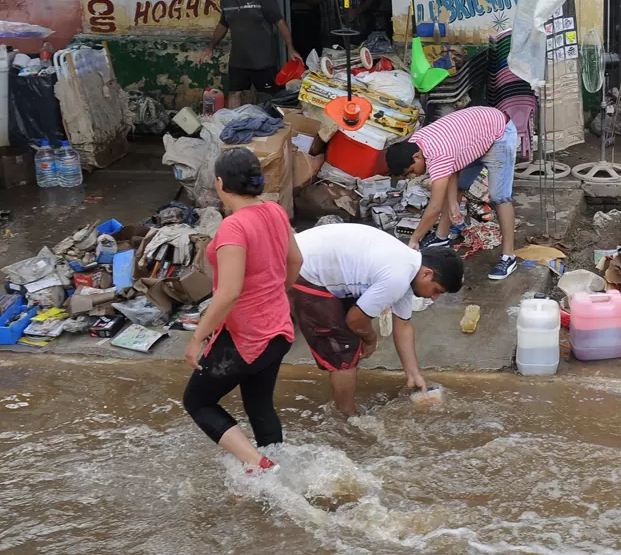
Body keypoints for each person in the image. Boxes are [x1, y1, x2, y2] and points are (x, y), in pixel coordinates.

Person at [182, 148, 300, 473]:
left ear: (220, 184)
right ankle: (276, 470)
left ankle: (257, 464)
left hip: (247, 337)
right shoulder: (275, 211)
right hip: (278, 329)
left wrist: (198, 337)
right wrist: (273, 293)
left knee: (198, 401)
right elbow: (296, 261)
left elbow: (229, 294)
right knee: (259, 404)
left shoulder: (234, 227)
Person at [286, 222, 464, 417]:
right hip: (303, 268)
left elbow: (403, 325)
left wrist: (413, 374)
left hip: (308, 256)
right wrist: (370, 339)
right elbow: (355, 320)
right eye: (437, 291)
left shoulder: (408, 267)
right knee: (344, 350)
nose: (433, 297)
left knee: (349, 341)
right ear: (427, 273)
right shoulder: (397, 278)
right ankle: (347, 416)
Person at [385, 106, 519, 281]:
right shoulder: (416, 141)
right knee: (459, 185)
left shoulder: (436, 155)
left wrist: (414, 240)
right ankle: (441, 237)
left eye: (410, 171)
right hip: (476, 135)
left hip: (498, 133)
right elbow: (452, 165)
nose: (413, 175)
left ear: (417, 157)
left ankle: (509, 257)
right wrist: (454, 202)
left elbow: (434, 208)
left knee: (499, 197)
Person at [198, 0, 301, 107]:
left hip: (263, 61)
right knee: (234, 94)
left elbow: (280, 22)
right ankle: (235, 125)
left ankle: (274, 127)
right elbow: (223, 24)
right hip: (238, 61)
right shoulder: (226, 1)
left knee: (269, 97)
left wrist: (290, 47)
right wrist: (210, 47)